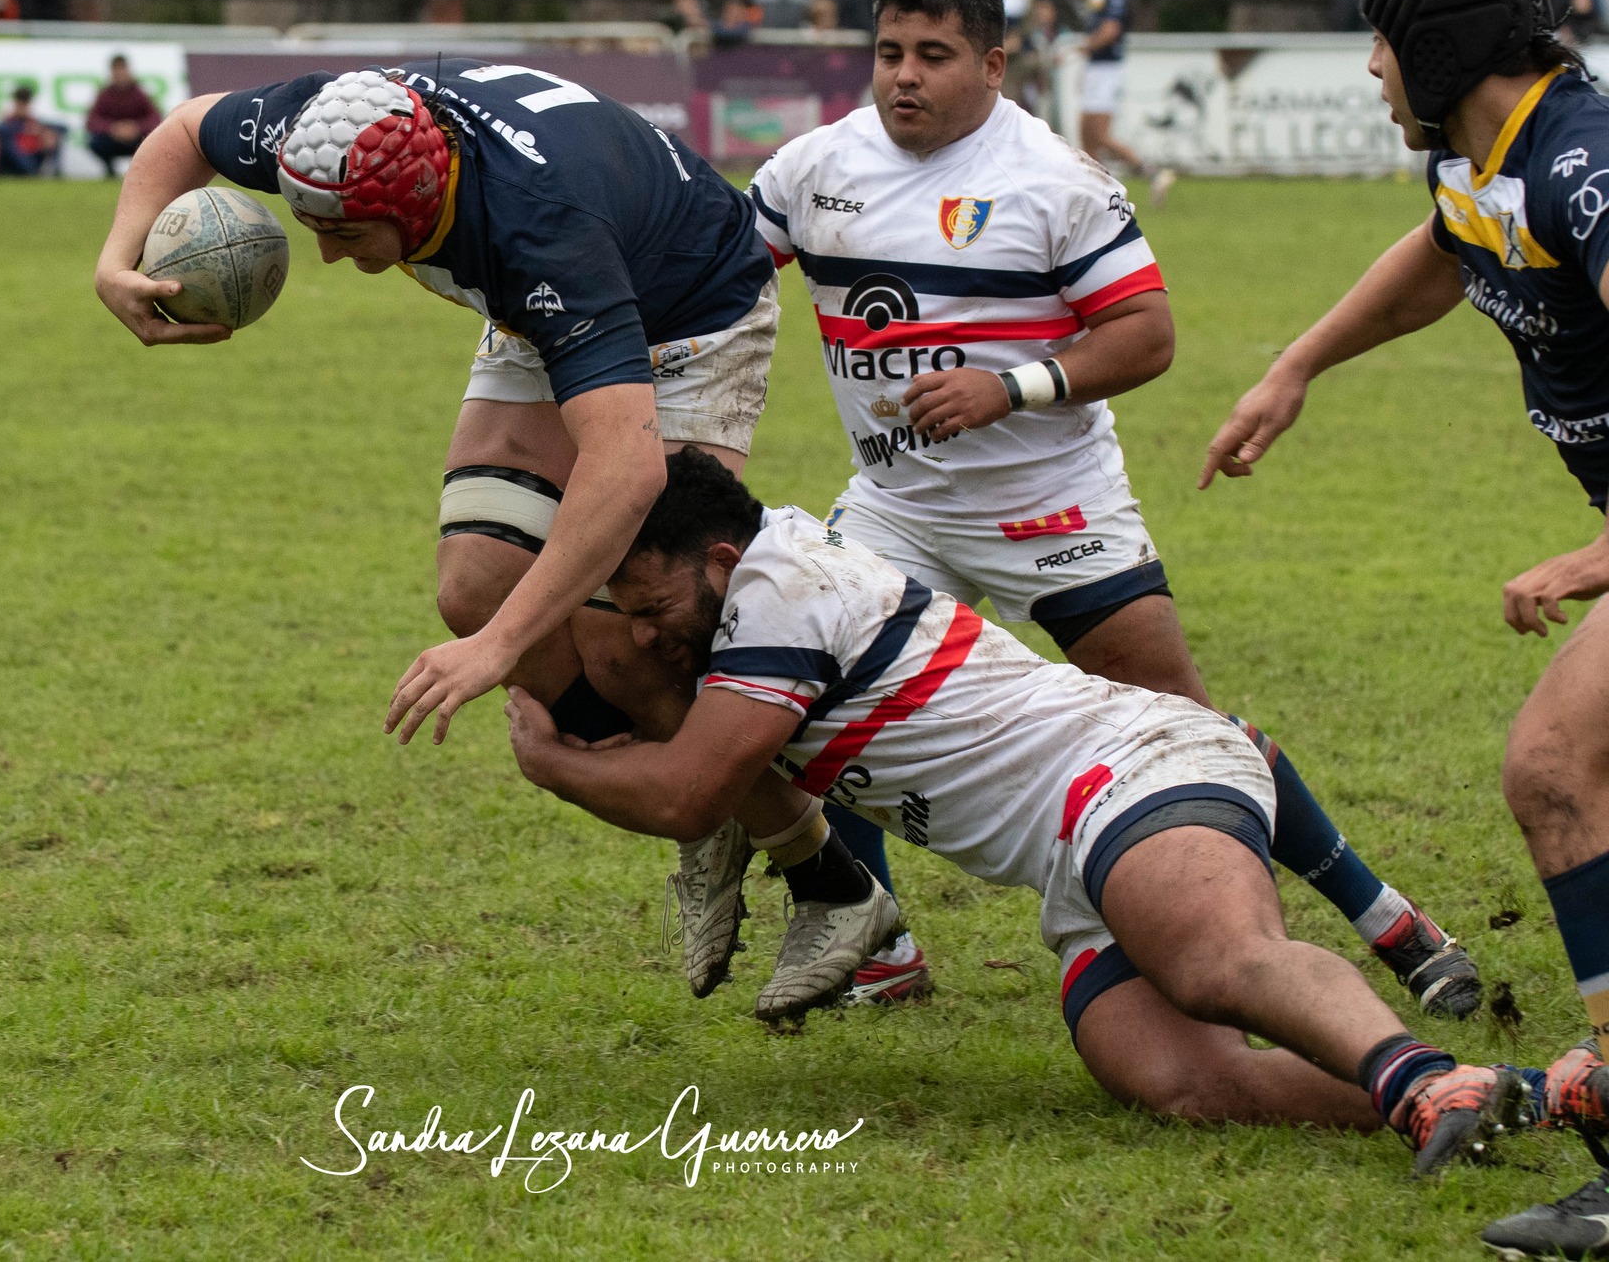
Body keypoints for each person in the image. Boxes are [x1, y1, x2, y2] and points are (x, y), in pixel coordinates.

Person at [93, 61, 907, 1019]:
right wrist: (114, 259)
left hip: (690, 310)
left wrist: (499, 650)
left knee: (634, 633)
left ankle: (834, 886)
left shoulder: (539, 229)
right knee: (475, 585)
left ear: (415, 199)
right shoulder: (329, 129)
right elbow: (187, 129)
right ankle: (708, 807)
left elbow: (626, 469)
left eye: (344, 235)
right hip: (540, 306)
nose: (325, 257)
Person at [747, 0, 1483, 1012]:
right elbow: (718, 270)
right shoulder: (812, 166)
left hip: (1049, 506)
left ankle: (1391, 921)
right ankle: (880, 946)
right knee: (816, 692)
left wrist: (1009, 387)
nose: (903, 76)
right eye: (889, 53)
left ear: (992, 66)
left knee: (1185, 727)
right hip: (896, 504)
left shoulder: (1056, 180)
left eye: (932, 56)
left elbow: (1146, 335)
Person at [506, 449, 1527, 1167]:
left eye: (654, 609)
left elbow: (690, 793)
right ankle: (1502, 1089)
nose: (644, 637)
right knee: (1180, 1083)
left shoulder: (781, 591)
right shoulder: (756, 590)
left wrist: (550, 762)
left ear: (720, 563)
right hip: (1072, 857)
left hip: (1128, 770)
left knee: (1217, 962)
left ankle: (1417, 1079)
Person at [1199, 0, 1609, 1256]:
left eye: (1380, 43)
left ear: (1436, 48)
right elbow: (1446, 249)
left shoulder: (1586, 169)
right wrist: (1296, 367)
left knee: (1553, 766)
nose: (1370, 70)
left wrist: (1594, 557)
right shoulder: (1489, 161)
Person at [1075, 0, 1156, 189]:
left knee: (1098, 135)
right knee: (1087, 136)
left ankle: (1150, 172)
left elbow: (1111, 30)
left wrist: (1083, 47)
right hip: (1096, 67)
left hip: (1107, 68)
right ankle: (1096, 189)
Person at [84, 54, 160, 176]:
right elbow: (92, 120)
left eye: (122, 69)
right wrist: (113, 128)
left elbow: (155, 117)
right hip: (112, 139)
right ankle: (109, 168)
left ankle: (142, 170)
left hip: (136, 138)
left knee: (153, 140)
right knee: (95, 141)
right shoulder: (104, 94)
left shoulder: (139, 93)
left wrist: (136, 127)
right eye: (116, 70)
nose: (120, 74)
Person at [0, 82, 65, 174]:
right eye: (20, 103)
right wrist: (26, 129)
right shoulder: (7, 124)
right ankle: (33, 170)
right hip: (14, 163)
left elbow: (63, 128)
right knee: (14, 150)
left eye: (25, 103)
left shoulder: (35, 122)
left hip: (34, 156)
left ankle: (53, 169)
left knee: (52, 134)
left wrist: (44, 132)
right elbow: (8, 145)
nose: (23, 106)